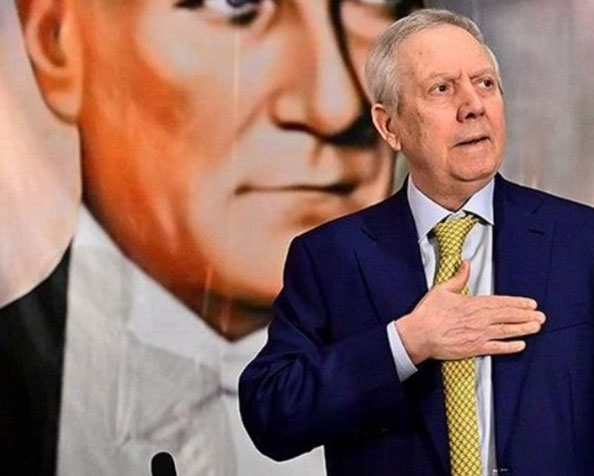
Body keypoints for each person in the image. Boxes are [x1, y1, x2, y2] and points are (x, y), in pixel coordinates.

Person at [239, 9, 594, 476]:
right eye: (442, 89)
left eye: (485, 84)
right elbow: (272, 414)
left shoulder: (583, 243)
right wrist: (405, 343)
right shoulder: (331, 258)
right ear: (389, 126)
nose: (473, 106)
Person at [0, 0, 419, 474]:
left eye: (377, 2)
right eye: (235, 4)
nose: (335, 105)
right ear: (56, 39)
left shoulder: (454, 344)